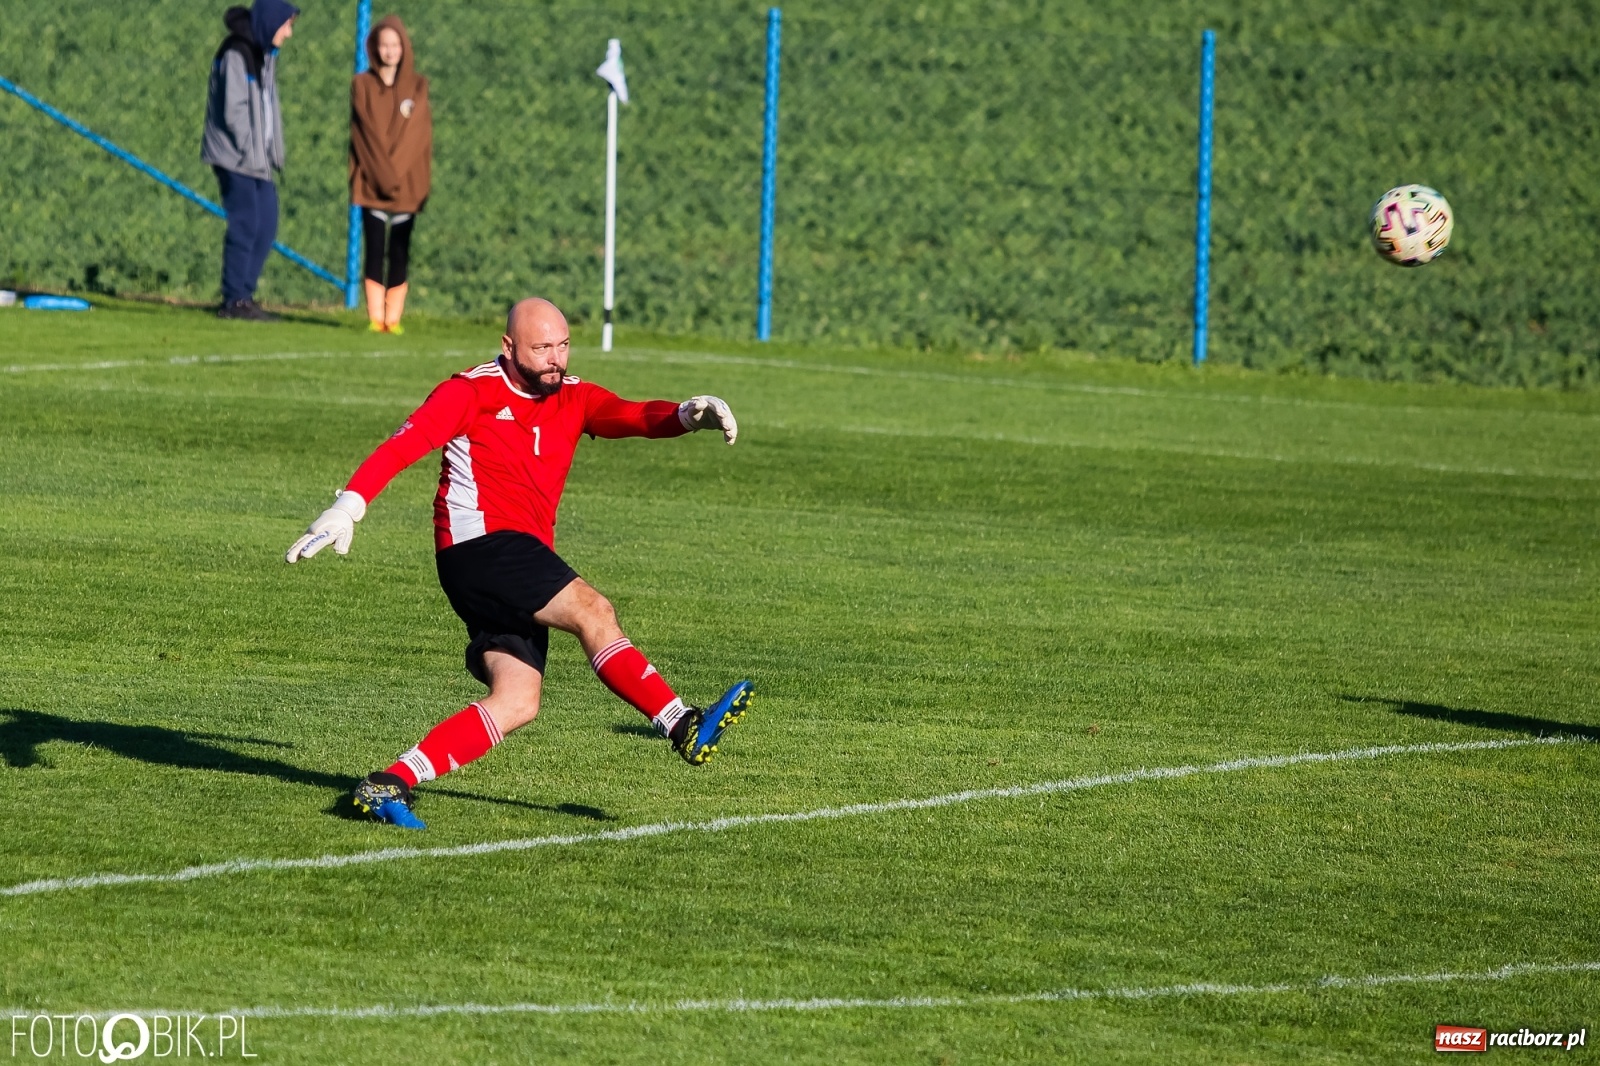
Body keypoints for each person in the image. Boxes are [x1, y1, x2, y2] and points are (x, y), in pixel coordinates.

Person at [284, 297, 752, 829]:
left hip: (512, 557)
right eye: (541, 348)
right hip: (479, 547)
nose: (556, 359)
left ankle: (388, 783)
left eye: (562, 346)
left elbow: (631, 415)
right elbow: (403, 445)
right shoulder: (470, 391)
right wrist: (349, 506)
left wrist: (686, 415)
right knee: (593, 610)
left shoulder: (572, 397)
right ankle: (682, 724)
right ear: (508, 347)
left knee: (518, 699)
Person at [201, 0, 299, 321]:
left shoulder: (264, 55)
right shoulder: (236, 53)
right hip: (235, 157)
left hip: (259, 159)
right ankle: (234, 300)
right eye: (286, 25)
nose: (288, 33)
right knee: (246, 224)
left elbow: (269, 108)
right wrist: (250, 148)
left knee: (266, 222)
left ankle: (245, 294)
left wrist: (272, 151)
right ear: (271, 23)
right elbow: (234, 111)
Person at [349, 15, 433, 335]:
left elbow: (416, 136)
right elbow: (365, 136)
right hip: (372, 182)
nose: (389, 51)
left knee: (399, 249)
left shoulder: (418, 86)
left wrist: (395, 174)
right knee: (373, 247)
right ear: (374, 48)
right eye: (384, 45)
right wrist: (382, 174)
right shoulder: (362, 85)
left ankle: (393, 319)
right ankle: (375, 317)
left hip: (406, 184)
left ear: (403, 48)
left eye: (395, 45)